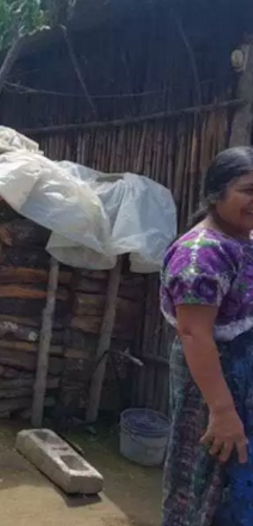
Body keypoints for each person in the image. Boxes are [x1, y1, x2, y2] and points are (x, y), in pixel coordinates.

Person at [160, 146, 253, 525]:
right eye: (248, 191)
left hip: (241, 377)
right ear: (216, 193)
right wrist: (223, 411)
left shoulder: (240, 240)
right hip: (215, 382)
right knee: (207, 482)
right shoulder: (201, 256)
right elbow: (194, 332)